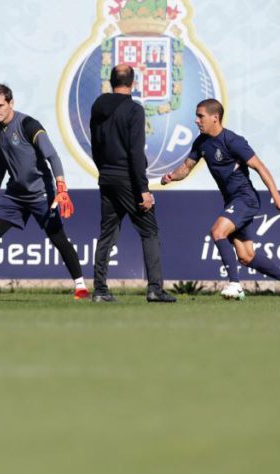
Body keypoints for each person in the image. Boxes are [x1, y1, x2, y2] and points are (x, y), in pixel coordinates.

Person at [161, 98, 280, 302]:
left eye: (200, 116)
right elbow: (185, 168)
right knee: (246, 256)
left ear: (215, 118)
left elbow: (260, 167)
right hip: (232, 201)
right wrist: (171, 176)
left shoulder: (233, 141)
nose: (196, 120)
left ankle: (235, 285)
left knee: (217, 231)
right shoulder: (201, 142)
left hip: (245, 198)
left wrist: (277, 198)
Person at [0, 84, 89, 300]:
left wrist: (61, 188)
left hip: (41, 194)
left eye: (0, 105)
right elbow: (1, 160)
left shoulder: (29, 124)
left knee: (58, 238)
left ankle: (81, 287)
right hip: (14, 195)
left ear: (11, 103)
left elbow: (53, 156)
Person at [89, 64, 176, 303]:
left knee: (107, 234)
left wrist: (103, 170)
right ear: (134, 83)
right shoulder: (133, 110)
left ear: (110, 80)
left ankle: (99, 289)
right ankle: (155, 289)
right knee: (149, 231)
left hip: (106, 176)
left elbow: (95, 145)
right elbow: (135, 153)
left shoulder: (98, 106)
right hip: (127, 178)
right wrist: (143, 189)